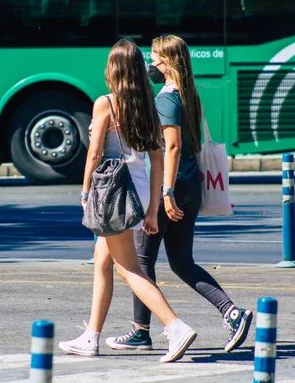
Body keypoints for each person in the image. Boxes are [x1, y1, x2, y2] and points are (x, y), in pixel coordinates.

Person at [105, 34, 253, 353]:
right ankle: (232, 313)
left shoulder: (166, 99)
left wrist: (165, 193)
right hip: (192, 184)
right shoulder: (190, 95)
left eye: (155, 58)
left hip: (172, 186)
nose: (150, 65)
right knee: (182, 261)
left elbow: (171, 146)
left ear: (168, 62)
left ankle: (141, 330)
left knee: (142, 260)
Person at [58, 38, 197, 363]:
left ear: (113, 69)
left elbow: (94, 154)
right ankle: (90, 337)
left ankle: (174, 326)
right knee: (102, 262)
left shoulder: (105, 103)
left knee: (128, 268)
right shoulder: (150, 104)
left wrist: (84, 192)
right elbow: (158, 158)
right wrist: (151, 208)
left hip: (114, 193)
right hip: (139, 188)